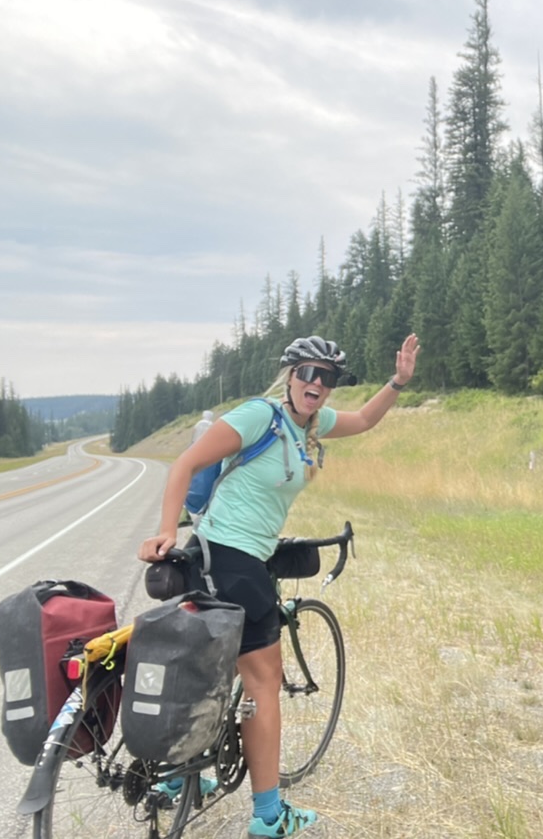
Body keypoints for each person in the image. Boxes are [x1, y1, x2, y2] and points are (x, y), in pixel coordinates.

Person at [138, 332, 420, 838]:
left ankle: (185, 777)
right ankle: (269, 817)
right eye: (308, 372)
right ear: (290, 375)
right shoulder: (258, 416)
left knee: (213, 667)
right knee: (263, 683)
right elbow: (187, 463)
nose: (317, 383)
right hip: (232, 558)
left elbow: (363, 421)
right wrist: (164, 529)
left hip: (233, 558)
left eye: (327, 377)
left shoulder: (311, 424)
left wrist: (398, 382)